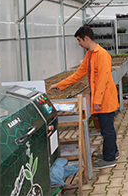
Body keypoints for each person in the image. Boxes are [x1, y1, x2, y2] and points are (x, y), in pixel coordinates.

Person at [50, 26, 118, 169]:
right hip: (100, 98)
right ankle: (112, 152)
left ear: (86, 38)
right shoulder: (90, 54)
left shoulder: (102, 55)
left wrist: (97, 101)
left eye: (79, 40)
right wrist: (59, 85)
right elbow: (79, 74)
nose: (79, 43)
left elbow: (103, 79)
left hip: (105, 99)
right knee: (106, 128)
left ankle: (109, 159)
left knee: (107, 130)